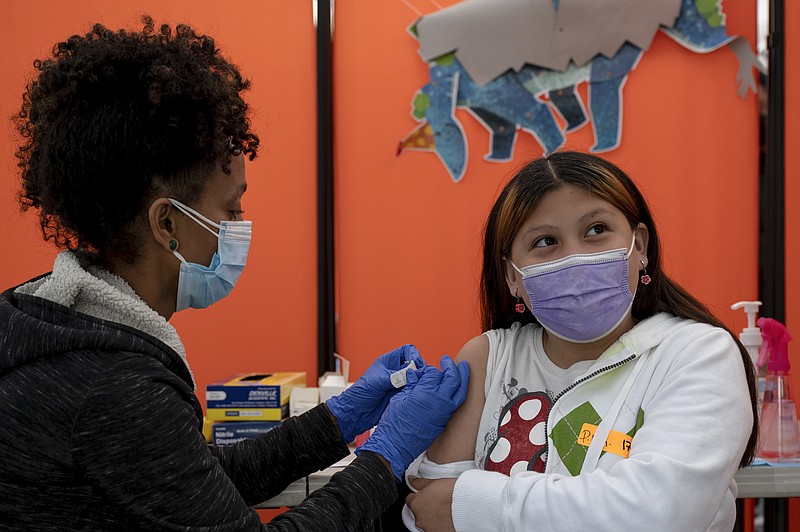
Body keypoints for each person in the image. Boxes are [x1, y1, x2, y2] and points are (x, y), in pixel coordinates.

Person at [0, 17, 469, 531]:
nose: (240, 227)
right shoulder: (112, 384)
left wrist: (341, 418)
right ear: (168, 224)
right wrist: (386, 456)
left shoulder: (50, 320)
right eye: (231, 210)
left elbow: (198, 482)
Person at [403, 151, 759, 531]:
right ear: (512, 276)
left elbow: (655, 514)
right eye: (545, 241)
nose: (574, 259)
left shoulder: (697, 354)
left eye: (595, 231)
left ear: (638, 246)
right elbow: (431, 508)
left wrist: (479, 507)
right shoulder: (489, 358)